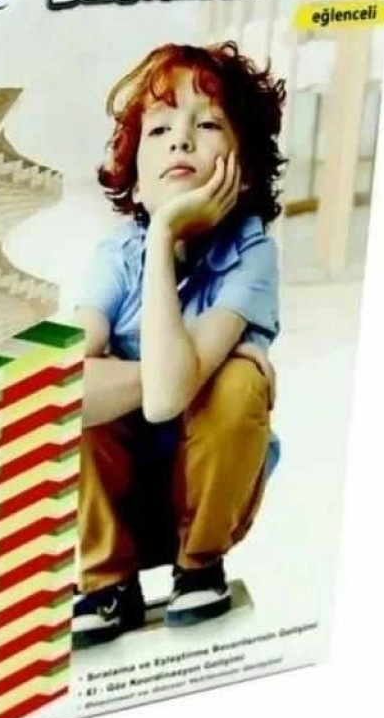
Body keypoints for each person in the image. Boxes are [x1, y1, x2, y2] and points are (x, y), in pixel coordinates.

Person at [72, 41, 286, 648]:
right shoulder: (119, 253)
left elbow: (170, 401)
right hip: (123, 504)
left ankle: (199, 569)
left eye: (208, 124)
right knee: (72, 389)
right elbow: (53, 383)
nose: (181, 140)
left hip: (207, 502)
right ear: (137, 183)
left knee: (239, 382)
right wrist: (161, 234)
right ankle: (107, 581)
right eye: (159, 129)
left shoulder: (252, 255)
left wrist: (165, 237)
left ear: (244, 169)